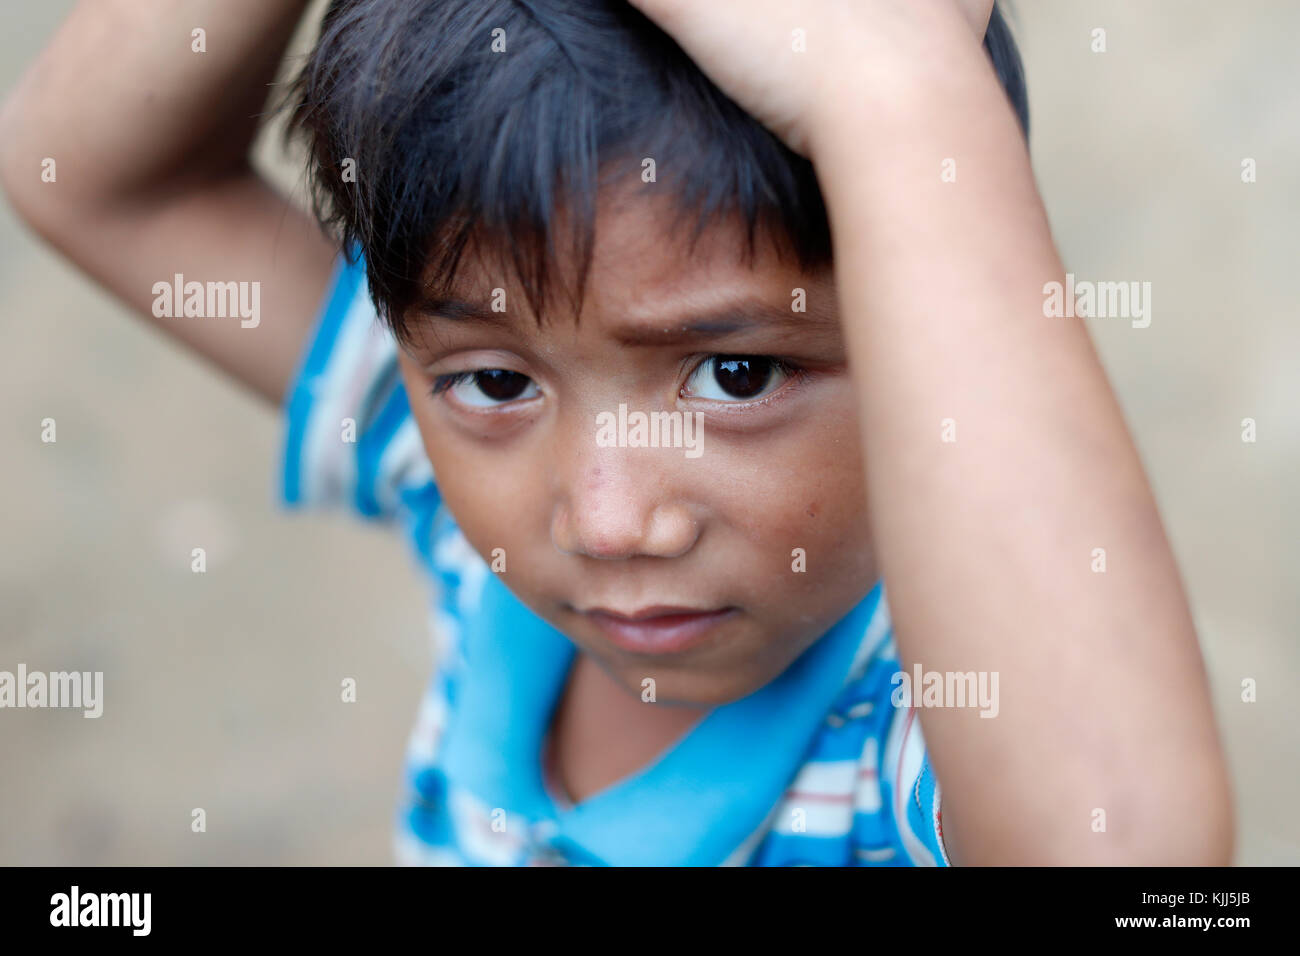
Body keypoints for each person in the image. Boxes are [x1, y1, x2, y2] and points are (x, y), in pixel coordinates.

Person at [0, 0, 1233, 865]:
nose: (606, 519)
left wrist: (902, 99)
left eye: (737, 373)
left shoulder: (917, 734)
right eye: (493, 384)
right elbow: (90, 174)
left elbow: (1119, 842)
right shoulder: (452, 504)